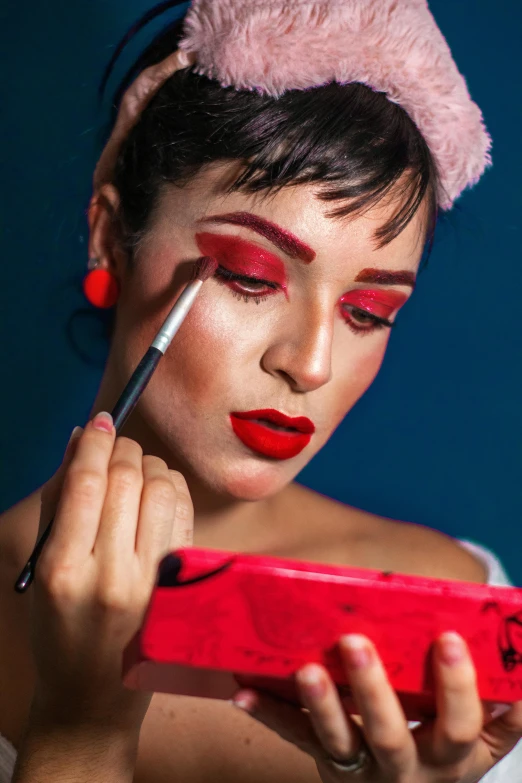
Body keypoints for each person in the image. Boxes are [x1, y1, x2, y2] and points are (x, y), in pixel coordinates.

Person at [1, 1, 521, 781]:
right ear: (110, 234)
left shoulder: (461, 618)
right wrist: (78, 734)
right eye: (250, 277)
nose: (310, 362)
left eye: (366, 310)